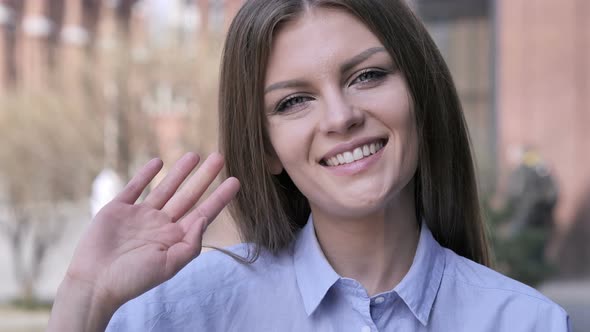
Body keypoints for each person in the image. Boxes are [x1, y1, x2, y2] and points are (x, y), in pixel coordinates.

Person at [47, 0, 570, 331]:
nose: (341, 117)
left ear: (419, 95)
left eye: (366, 76)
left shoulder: (527, 322)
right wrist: (84, 300)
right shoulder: (182, 313)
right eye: (293, 102)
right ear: (267, 148)